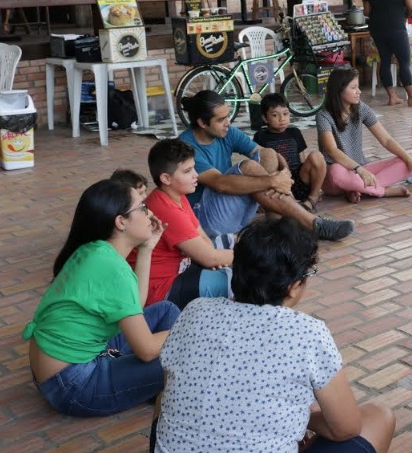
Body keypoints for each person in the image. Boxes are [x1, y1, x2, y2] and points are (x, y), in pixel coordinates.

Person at [153, 218, 395, 453]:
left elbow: (169, 384)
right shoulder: (307, 333)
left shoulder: (195, 310)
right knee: (379, 416)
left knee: (164, 399)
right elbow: (346, 428)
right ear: (294, 286)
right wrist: (302, 417)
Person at [22, 179, 179, 416]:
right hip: (73, 385)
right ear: (121, 221)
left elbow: (134, 304)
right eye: (143, 207)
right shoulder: (113, 269)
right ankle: (156, 386)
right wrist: (190, 330)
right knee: (186, 357)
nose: (151, 213)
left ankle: (148, 383)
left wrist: (147, 248)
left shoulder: (95, 249)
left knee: (166, 310)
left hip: (61, 369)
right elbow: (146, 349)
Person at [178, 90, 354, 242]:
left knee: (267, 153)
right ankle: (313, 224)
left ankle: (277, 223)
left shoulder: (227, 132)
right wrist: (272, 181)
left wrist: (284, 171)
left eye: (228, 116)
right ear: (202, 122)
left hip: (231, 210)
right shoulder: (187, 146)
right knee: (247, 166)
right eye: (221, 119)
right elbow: (220, 183)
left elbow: (266, 153)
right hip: (206, 219)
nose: (228, 123)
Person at [135, 139, 234, 309]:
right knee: (235, 280)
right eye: (188, 171)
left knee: (230, 240)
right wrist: (247, 258)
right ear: (166, 178)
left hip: (183, 266)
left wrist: (210, 256)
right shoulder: (165, 208)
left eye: (194, 168)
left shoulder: (177, 195)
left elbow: (203, 238)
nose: (196, 174)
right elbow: (209, 257)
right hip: (162, 289)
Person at [317, 68, 412, 203]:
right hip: (336, 177)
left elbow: (386, 140)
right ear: (339, 90)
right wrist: (359, 170)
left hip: (360, 171)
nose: (359, 91)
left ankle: (359, 189)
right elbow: (332, 150)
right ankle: (383, 191)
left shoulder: (360, 108)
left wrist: (409, 159)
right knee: (336, 171)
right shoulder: (323, 115)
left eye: (358, 87)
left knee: (405, 164)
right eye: (354, 88)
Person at [253, 93, 326, 212]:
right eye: (275, 115)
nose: (282, 119)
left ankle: (313, 197)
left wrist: (312, 180)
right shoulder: (260, 136)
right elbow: (258, 166)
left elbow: (302, 160)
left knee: (316, 156)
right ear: (265, 118)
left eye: (285, 114)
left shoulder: (295, 132)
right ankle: (280, 203)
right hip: (277, 183)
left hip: (298, 181)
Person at [364, 0, 412, 106]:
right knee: (404, 62)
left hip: (377, 30)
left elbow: (367, 12)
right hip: (396, 28)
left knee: (385, 61)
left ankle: (392, 97)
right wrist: (405, 16)